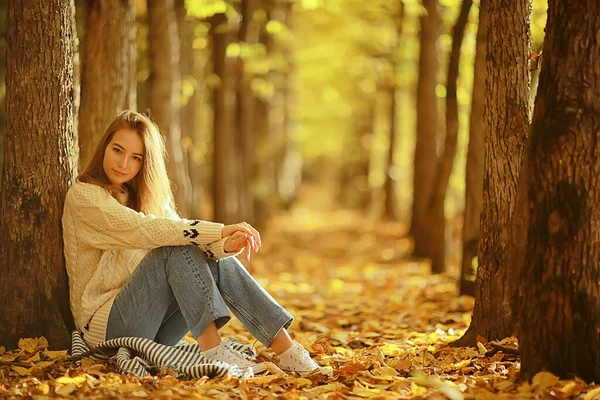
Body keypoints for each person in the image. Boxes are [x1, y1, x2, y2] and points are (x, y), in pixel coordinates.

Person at [62, 110, 324, 376]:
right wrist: (220, 230)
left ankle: (288, 350)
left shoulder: (144, 198)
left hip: (154, 332)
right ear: (104, 147)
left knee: (192, 249)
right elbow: (143, 229)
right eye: (117, 150)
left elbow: (188, 242)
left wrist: (226, 247)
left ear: (145, 163)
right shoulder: (84, 197)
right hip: (107, 330)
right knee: (174, 248)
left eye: (136, 158)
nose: (123, 163)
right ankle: (214, 350)